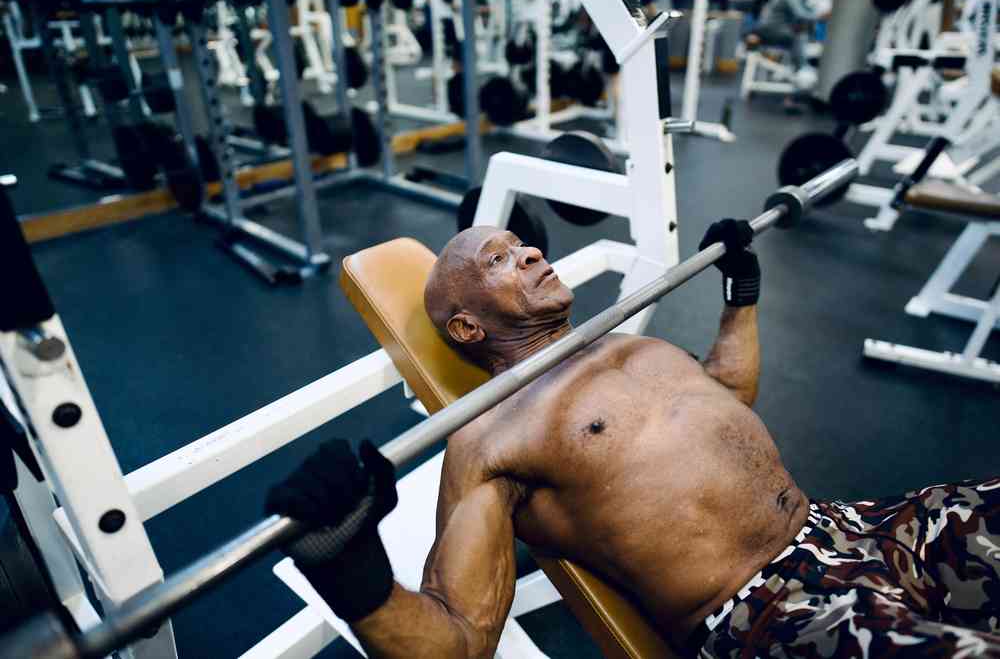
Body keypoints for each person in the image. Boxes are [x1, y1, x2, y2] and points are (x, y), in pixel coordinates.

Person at [266, 221, 1000, 658]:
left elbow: (727, 393)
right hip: (772, 605)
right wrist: (351, 568)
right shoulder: (490, 439)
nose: (527, 254)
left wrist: (740, 296)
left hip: (849, 527)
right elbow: (460, 640)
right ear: (467, 327)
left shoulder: (620, 344)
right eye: (499, 259)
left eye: (522, 246)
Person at [750, 0, 829, 112]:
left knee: (800, 34)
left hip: (775, 29)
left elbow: (804, 11)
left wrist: (815, 13)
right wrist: (821, 16)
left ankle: (799, 71)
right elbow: (801, 14)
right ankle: (801, 69)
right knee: (799, 36)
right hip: (772, 30)